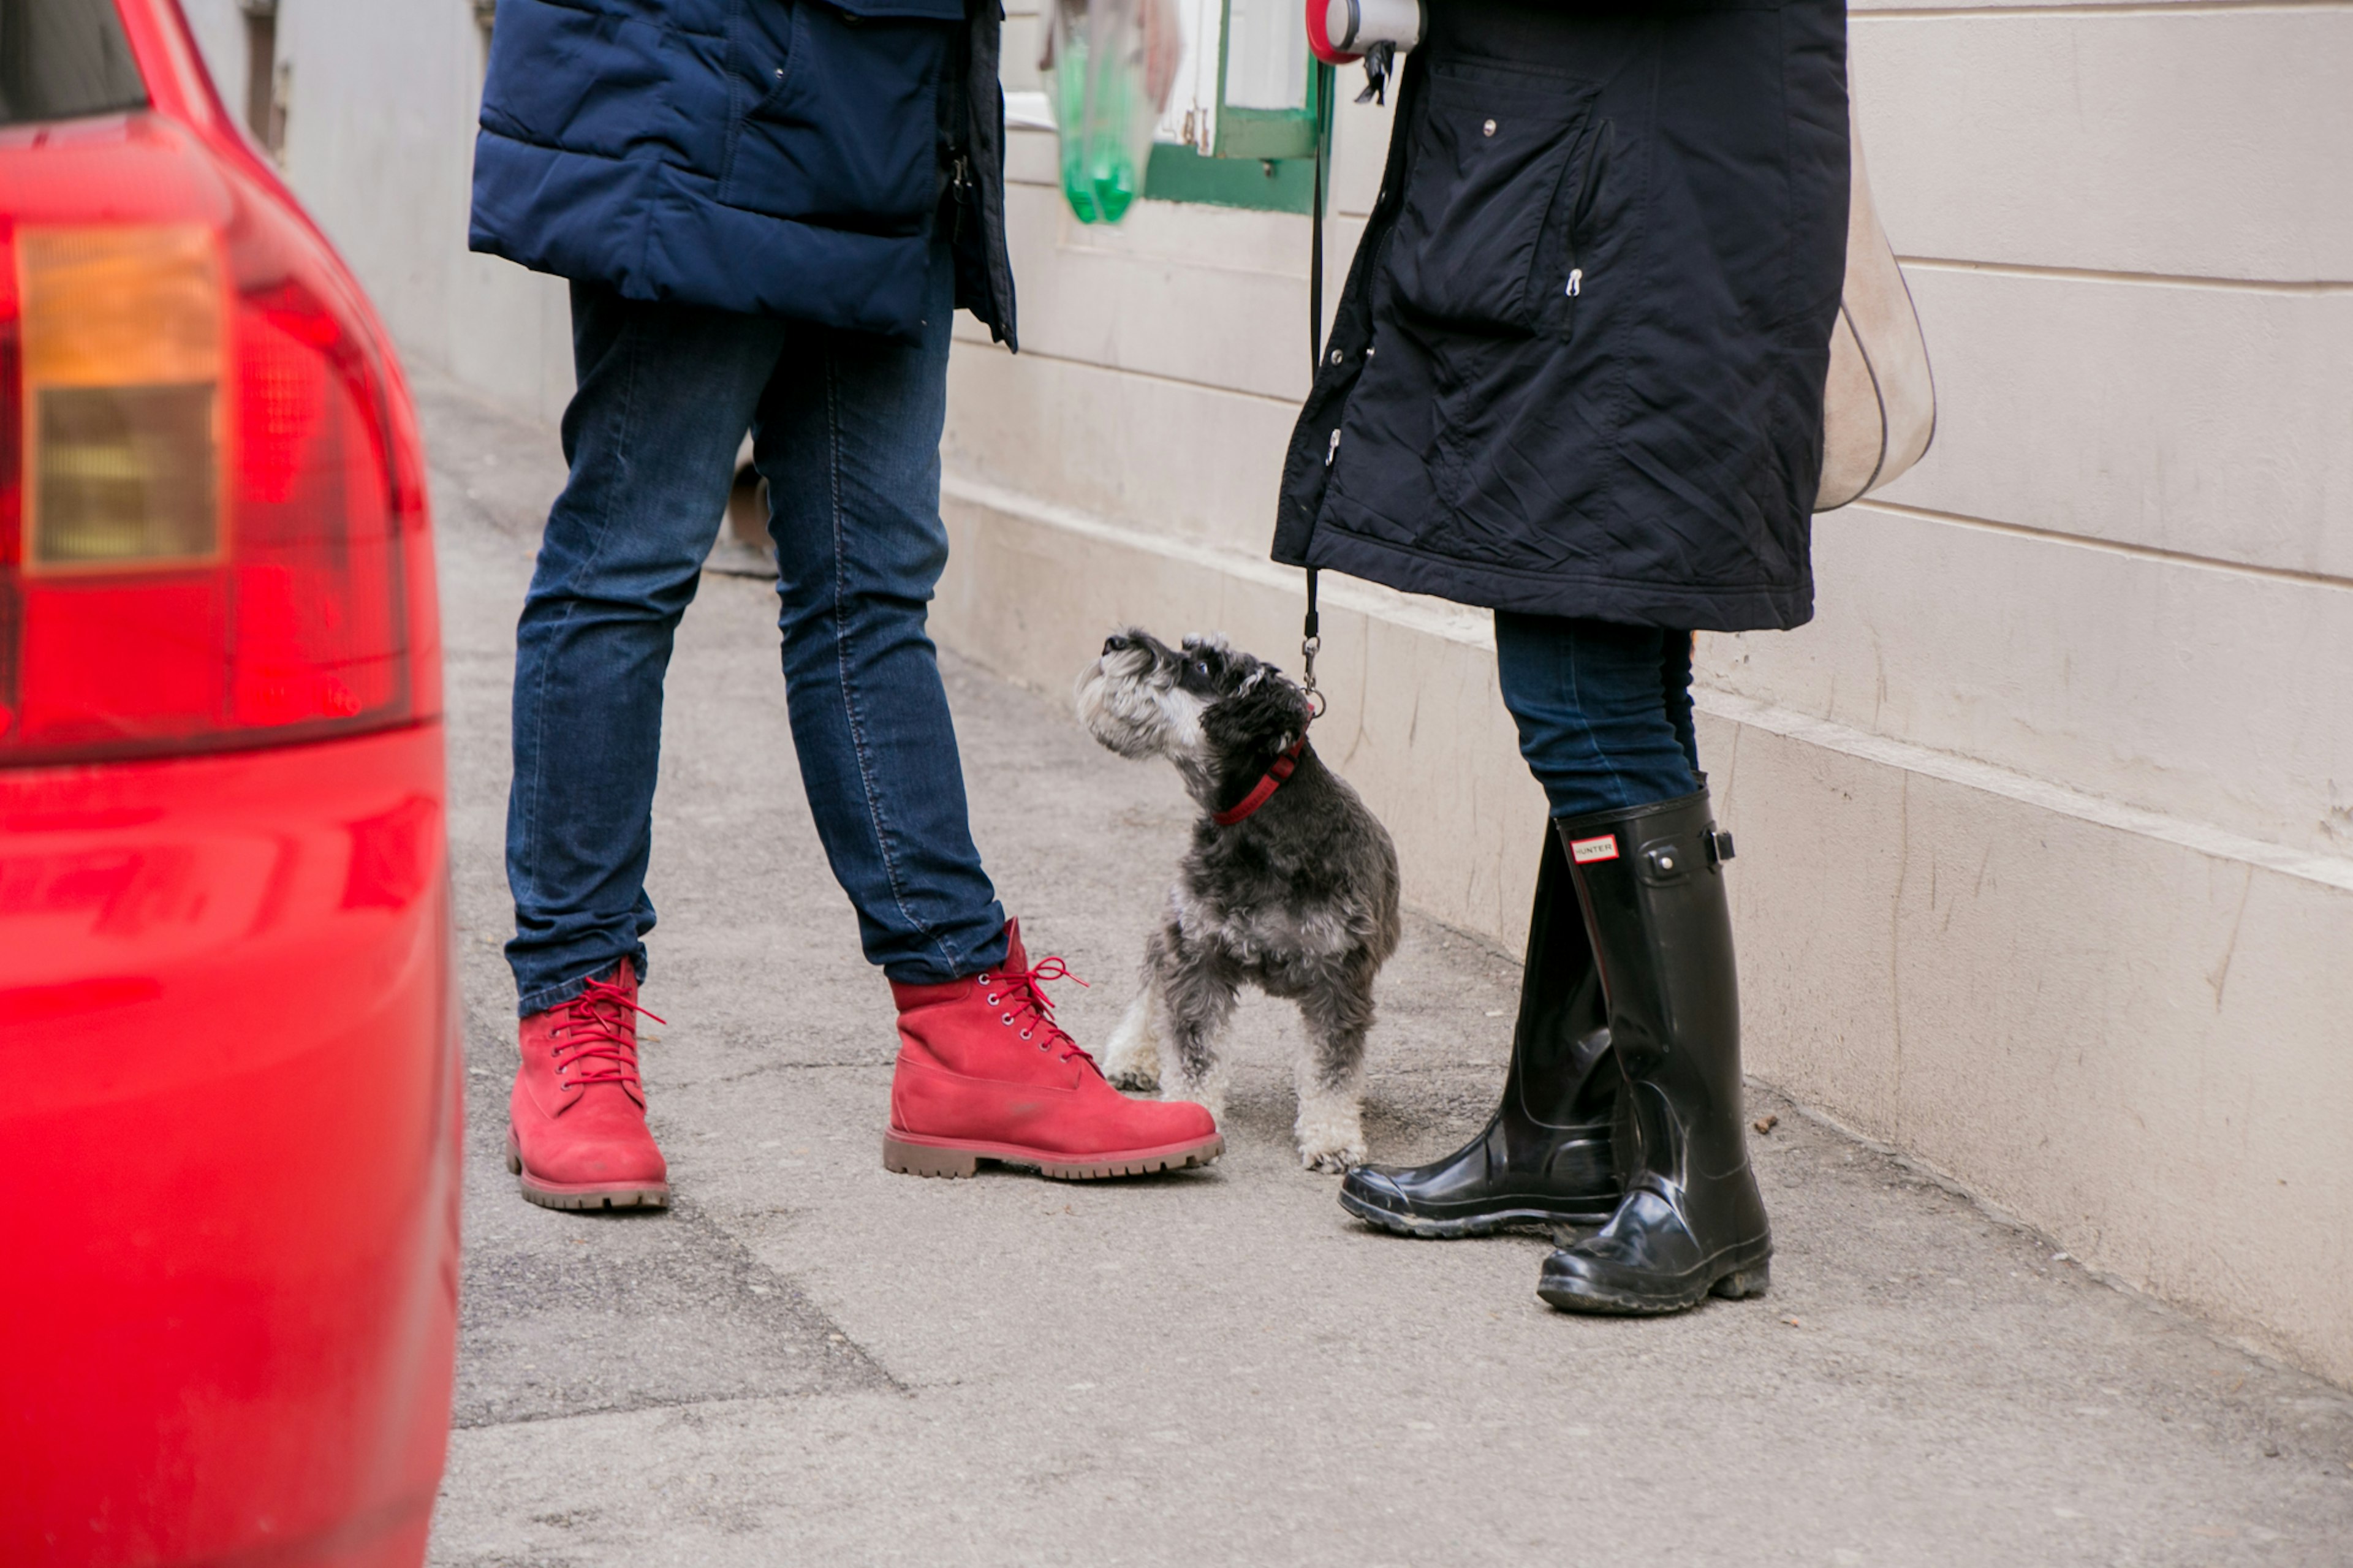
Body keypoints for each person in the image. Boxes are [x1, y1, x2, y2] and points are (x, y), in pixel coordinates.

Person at [468, 0, 1220, 1211]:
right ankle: (572, 1019)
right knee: (628, 565)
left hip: (885, 112)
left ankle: (959, 1023)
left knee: (872, 592)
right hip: (701, 81)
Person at [1279, 0, 1849, 1312]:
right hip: (1621, 206)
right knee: (1617, 681)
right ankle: (1574, 1132)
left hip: (1634, 232)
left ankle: (1702, 1191)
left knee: (1585, 695)